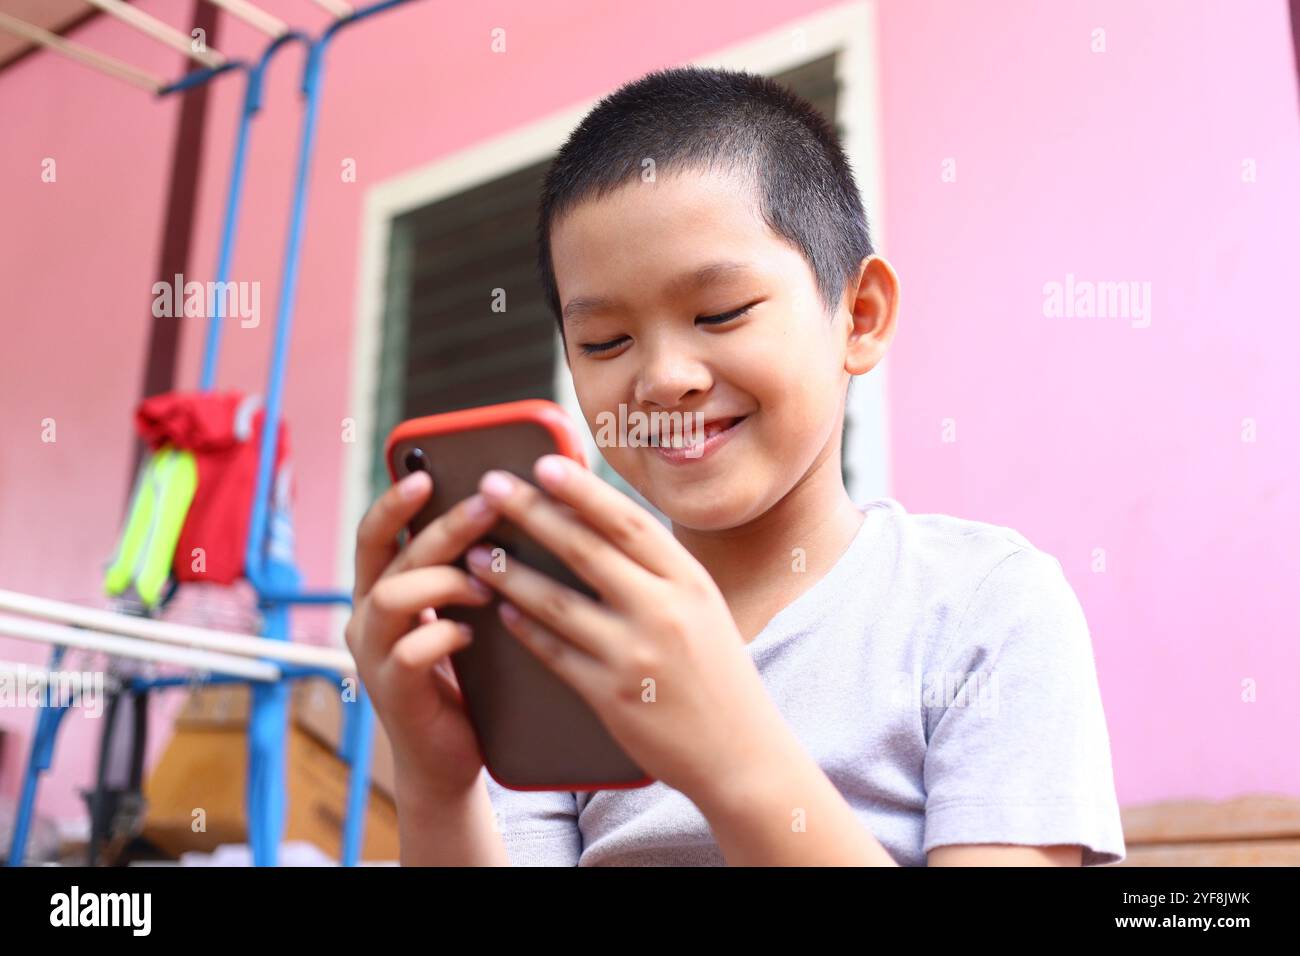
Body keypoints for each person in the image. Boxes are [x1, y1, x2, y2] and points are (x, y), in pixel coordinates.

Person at [345, 66, 1126, 866]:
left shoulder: (983, 605)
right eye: (605, 341)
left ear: (859, 317)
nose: (661, 379)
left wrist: (728, 753)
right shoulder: (569, 630)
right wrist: (437, 783)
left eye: (719, 313)